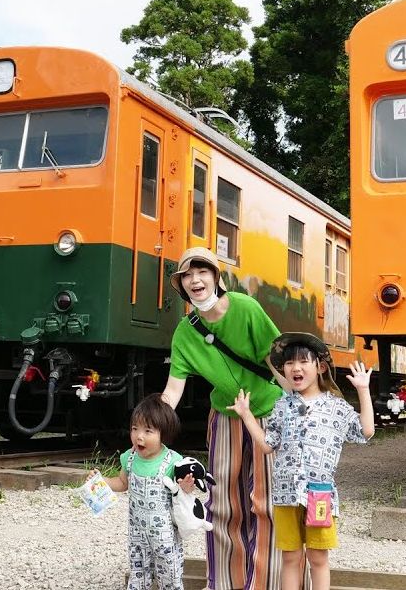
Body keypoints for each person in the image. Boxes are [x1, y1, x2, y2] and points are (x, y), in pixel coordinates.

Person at [160, 246, 285, 590]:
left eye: (202, 272)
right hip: (226, 416)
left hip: (267, 413)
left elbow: (277, 358)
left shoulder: (246, 308)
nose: (194, 280)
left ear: (216, 277)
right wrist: (152, 423)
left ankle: (268, 583)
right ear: (181, 285)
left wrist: (299, 403)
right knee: (223, 504)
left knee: (266, 502)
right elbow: (173, 390)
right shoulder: (186, 332)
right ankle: (226, 584)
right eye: (187, 275)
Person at [228, 333, 374, 590]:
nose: (295, 367)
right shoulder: (281, 406)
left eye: (303, 361)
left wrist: (363, 390)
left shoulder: (336, 407)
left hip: (320, 495)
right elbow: (266, 445)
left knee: (318, 557)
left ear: (320, 367)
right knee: (291, 556)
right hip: (286, 494)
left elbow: (366, 430)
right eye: (288, 363)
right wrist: (247, 415)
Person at [99, 393, 195, 590]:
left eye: (148, 431)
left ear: (163, 434)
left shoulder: (173, 461)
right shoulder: (130, 458)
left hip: (165, 535)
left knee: (169, 573)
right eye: (135, 429)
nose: (139, 436)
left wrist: (186, 487)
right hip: (137, 533)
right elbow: (122, 482)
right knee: (139, 573)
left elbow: (182, 491)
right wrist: (101, 481)